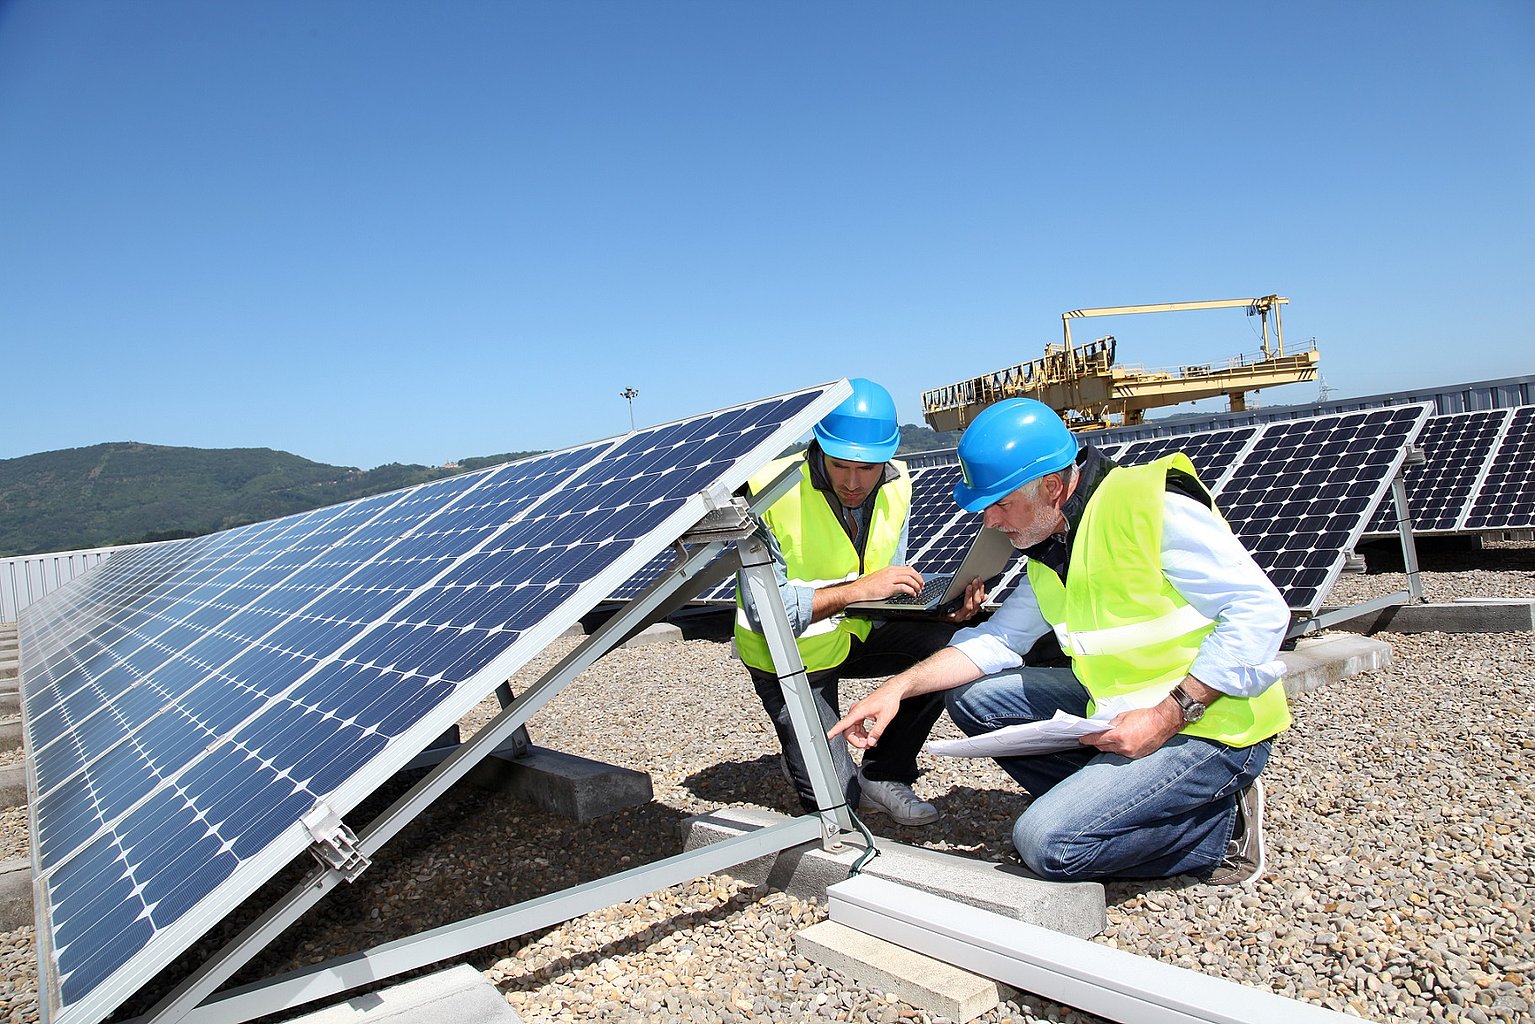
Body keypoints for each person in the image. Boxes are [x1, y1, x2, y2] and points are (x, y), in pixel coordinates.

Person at [830, 397, 1290, 884]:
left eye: (1000, 504)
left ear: (1052, 487)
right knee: (973, 696)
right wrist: (896, 690)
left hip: (1211, 725)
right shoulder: (1052, 545)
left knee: (1048, 845)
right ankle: (1114, 802)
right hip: (1121, 705)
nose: (990, 522)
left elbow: (1260, 612)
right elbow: (998, 640)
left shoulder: (1153, 507)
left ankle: (1218, 832)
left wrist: (1165, 716)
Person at [735, 378, 984, 826]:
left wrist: (941, 608)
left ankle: (884, 773)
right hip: (788, 654)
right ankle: (838, 780)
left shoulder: (897, 483)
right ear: (819, 447)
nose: (854, 482)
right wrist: (857, 591)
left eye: (868, 468)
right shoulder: (768, 489)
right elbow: (766, 612)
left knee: (950, 645)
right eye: (840, 465)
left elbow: (888, 585)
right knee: (837, 811)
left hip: (854, 630)